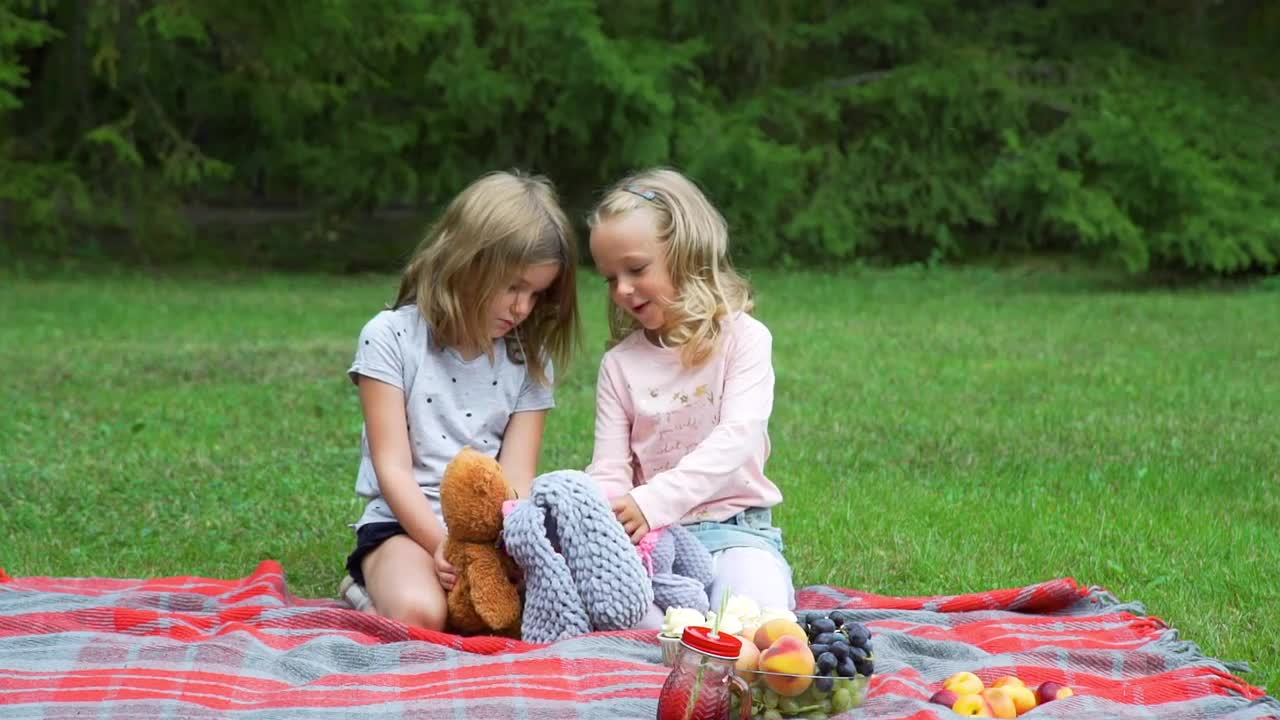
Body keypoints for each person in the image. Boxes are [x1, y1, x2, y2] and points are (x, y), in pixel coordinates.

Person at [338, 170, 580, 631]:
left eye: (536, 293)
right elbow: (392, 468)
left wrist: (508, 551)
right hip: (403, 526)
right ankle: (365, 587)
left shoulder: (529, 359)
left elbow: (517, 478)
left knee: (531, 613)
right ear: (466, 263)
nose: (523, 308)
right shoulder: (391, 338)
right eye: (512, 287)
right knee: (423, 614)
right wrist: (440, 544)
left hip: (490, 535)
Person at [585, 168, 794, 613]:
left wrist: (650, 502)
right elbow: (609, 469)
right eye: (609, 277)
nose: (621, 290)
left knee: (754, 627)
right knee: (639, 630)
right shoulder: (619, 365)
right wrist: (606, 526)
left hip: (737, 532)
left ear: (684, 253)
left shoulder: (744, 339)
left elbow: (736, 441)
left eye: (636, 269)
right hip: (656, 546)